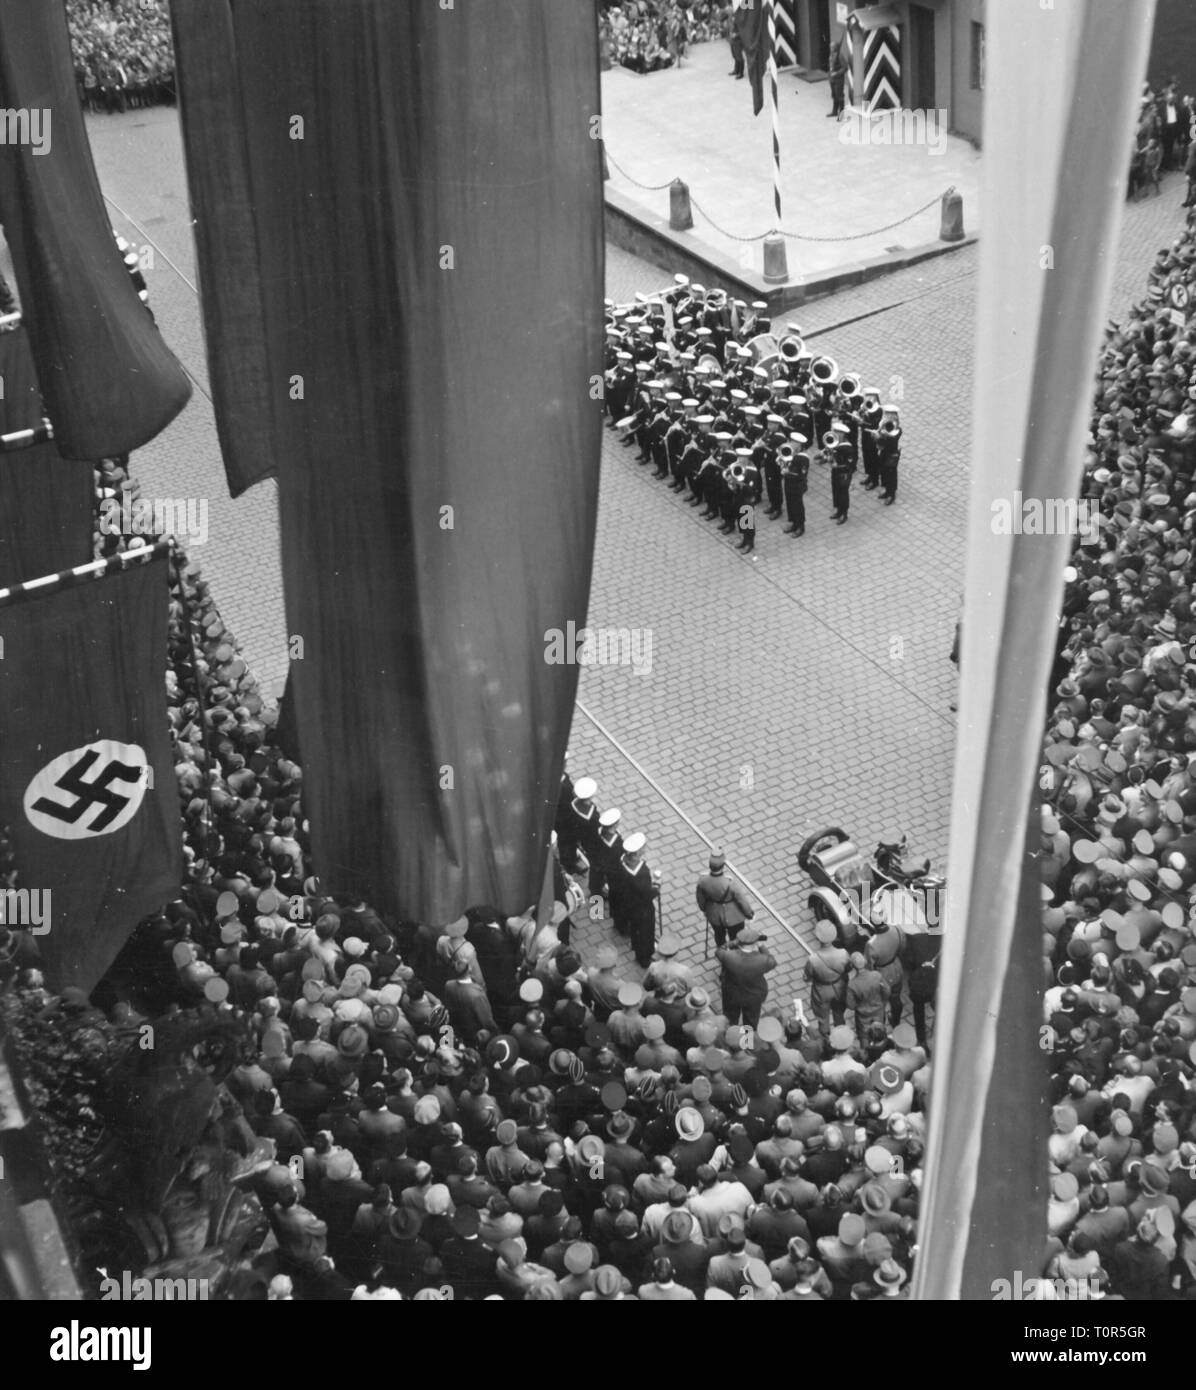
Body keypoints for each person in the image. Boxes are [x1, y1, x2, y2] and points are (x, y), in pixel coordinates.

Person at [715, 925, 776, 1029]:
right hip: (753, 997)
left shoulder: (728, 956)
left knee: (730, 1019)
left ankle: (730, 1037)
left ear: (739, 942)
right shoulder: (762, 960)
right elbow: (772, 961)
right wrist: (761, 946)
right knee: (749, 1023)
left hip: (731, 994)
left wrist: (732, 942)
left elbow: (719, 951)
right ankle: (746, 1043)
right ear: (754, 944)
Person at [695, 850, 755, 950]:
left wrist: (705, 910)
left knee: (719, 935)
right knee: (736, 938)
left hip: (714, 915)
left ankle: (722, 953)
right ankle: (734, 956)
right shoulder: (730, 883)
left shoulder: (702, 881)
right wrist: (750, 914)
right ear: (723, 866)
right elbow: (742, 901)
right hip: (734, 918)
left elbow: (700, 900)